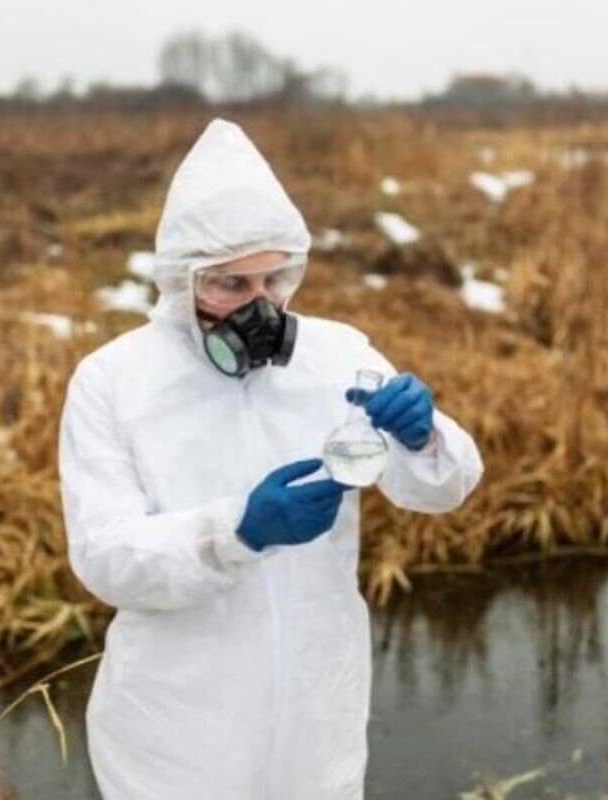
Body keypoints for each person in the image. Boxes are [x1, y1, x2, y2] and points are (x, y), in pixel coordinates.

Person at [58, 118, 483, 799]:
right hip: (176, 730)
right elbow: (105, 559)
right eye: (230, 285)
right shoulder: (116, 381)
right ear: (179, 280)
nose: (260, 306)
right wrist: (236, 532)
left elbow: (438, 489)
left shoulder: (335, 354)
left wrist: (425, 436)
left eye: (275, 278)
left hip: (317, 715)